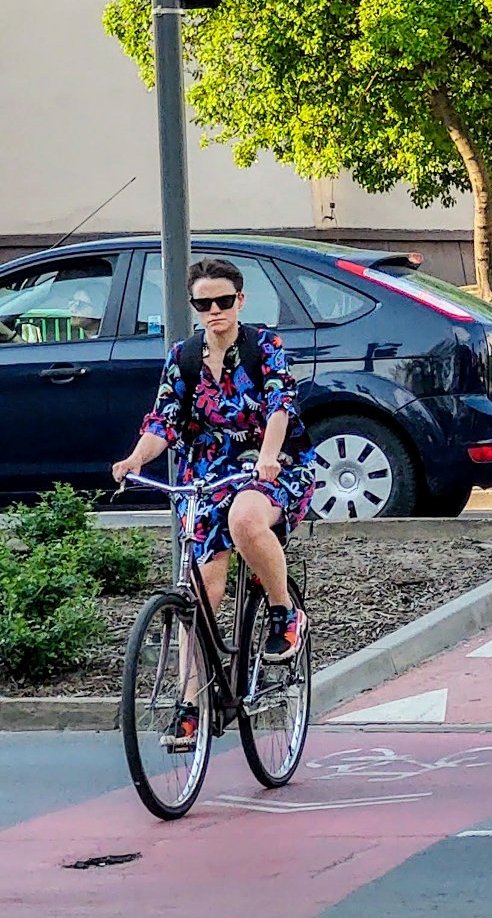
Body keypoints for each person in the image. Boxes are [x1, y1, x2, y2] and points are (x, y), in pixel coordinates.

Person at [111, 259, 317, 742]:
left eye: (224, 301)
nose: (216, 310)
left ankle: (286, 613)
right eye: (205, 303)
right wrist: (134, 459)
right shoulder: (182, 357)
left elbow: (279, 405)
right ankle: (191, 704)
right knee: (200, 591)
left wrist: (267, 457)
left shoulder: (264, 346)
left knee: (246, 519)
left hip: (269, 463)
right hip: (205, 474)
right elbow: (162, 422)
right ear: (195, 307)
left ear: (240, 302)